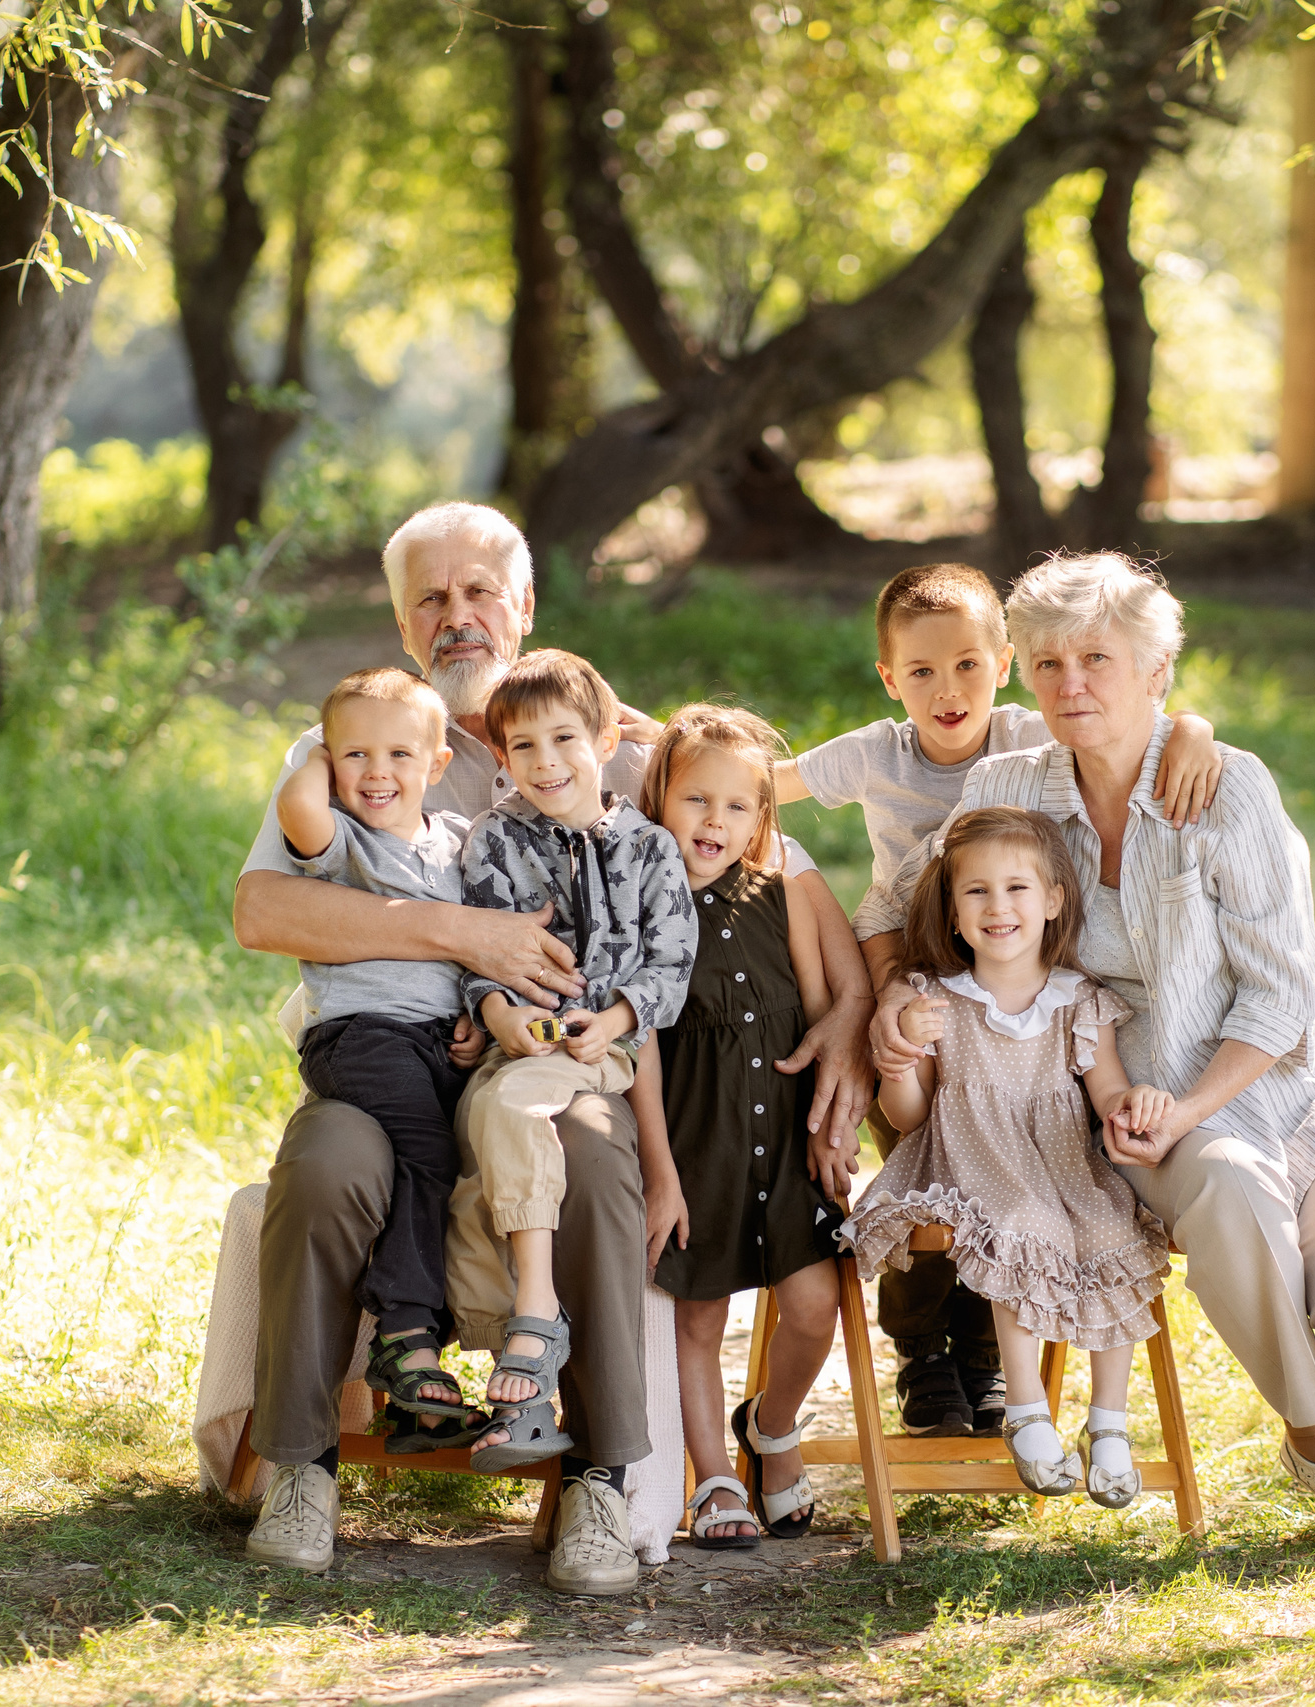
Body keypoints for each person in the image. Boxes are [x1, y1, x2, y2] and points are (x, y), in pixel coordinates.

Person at [230, 501, 875, 1593]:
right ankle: (301, 1468)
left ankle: (599, 1477)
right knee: (326, 1159)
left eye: (480, 591)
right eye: (430, 598)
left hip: (556, 1060)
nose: (458, 617)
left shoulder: (592, 738)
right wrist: (464, 935)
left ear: (522, 608)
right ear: (400, 623)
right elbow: (263, 913)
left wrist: (852, 1011)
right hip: (387, 1060)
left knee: (592, 1148)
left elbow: (755, 826)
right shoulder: (360, 741)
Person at [868, 553, 1315, 1544]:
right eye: (1049, 664)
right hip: (1130, 1106)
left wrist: (1194, 732)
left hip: (1284, 1078)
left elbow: (1281, 994)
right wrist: (892, 1001)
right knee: (1229, 1192)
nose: (1070, 685)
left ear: (1156, 674)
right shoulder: (1009, 781)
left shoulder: (1225, 789)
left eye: (1098, 659)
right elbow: (918, 910)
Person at [776, 562, 1223, 1438]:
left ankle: (985, 1358)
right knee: (928, 1158)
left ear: (1006, 661)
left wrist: (1195, 730)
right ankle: (921, 1347)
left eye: (968, 666)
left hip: (1015, 978)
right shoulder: (876, 750)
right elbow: (765, 780)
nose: (948, 691)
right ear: (889, 677)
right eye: (921, 672)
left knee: (1022, 1170)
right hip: (915, 968)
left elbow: (1143, 715)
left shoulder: (1031, 730)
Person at [848, 807, 1171, 1501]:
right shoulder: (937, 998)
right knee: (1025, 1221)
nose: (999, 907)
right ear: (953, 911)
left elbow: (1107, 1087)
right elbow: (908, 1119)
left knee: (1114, 1227)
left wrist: (1131, 1106)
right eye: (977, 892)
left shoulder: (1077, 1000)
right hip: (966, 1160)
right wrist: (902, 1054)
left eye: (1018, 888)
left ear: (1053, 900)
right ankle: (1025, 1409)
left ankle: (1109, 1423)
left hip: (1059, 1162)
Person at [452, 650, 696, 1476]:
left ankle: (531, 1317)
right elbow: (478, 951)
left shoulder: (654, 849)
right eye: (523, 747)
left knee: (509, 1110)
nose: (546, 762)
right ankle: (525, 1384)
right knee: (487, 1125)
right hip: (521, 1045)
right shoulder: (494, 842)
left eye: (564, 738)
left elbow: (671, 963)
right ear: (501, 757)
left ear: (605, 737)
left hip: (602, 1050)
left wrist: (620, 1015)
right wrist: (498, 1011)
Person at [637, 706, 852, 1549]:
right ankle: (713, 1474)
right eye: (696, 799)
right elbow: (640, 1046)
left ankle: (771, 1423)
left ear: (762, 818)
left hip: (788, 1142)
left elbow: (823, 1007)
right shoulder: (645, 909)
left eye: (737, 806)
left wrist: (834, 1126)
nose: (714, 822)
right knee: (699, 1317)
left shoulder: (779, 894)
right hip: (700, 1143)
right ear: (661, 798)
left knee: (815, 1303)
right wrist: (660, 1168)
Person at [274, 667, 485, 1435]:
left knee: (454, 1153)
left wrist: (476, 1017)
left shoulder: (459, 845)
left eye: (400, 754)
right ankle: (406, 1336)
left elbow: (471, 951)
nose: (377, 772)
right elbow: (296, 807)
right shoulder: (341, 840)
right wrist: (317, 761)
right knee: (426, 1151)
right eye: (355, 755)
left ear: (437, 765)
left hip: (434, 1040)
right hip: (360, 1035)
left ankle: (436, 1342)